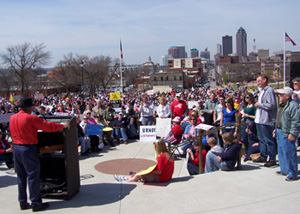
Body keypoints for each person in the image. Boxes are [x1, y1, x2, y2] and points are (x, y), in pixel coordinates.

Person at [10, 98, 69, 212]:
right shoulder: (31, 118)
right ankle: (36, 202)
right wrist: (62, 125)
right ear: (31, 107)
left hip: (16, 148)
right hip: (28, 148)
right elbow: (47, 126)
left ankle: (22, 202)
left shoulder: (12, 118)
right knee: (33, 176)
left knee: (21, 177)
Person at [274, 87, 300, 181]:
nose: (279, 96)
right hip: (279, 130)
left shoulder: (293, 106)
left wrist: (293, 133)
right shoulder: (281, 105)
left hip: (287, 132)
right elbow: (279, 117)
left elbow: (296, 121)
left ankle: (293, 173)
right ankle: (284, 169)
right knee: (281, 151)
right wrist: (276, 128)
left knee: (289, 152)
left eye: (281, 95)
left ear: (287, 96)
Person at [253, 75, 277, 167]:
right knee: (261, 139)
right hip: (259, 119)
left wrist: (260, 105)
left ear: (264, 80)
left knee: (268, 140)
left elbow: (271, 105)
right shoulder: (261, 91)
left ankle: (272, 158)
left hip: (266, 120)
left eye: (259, 81)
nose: (257, 83)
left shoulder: (269, 91)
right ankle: (263, 155)